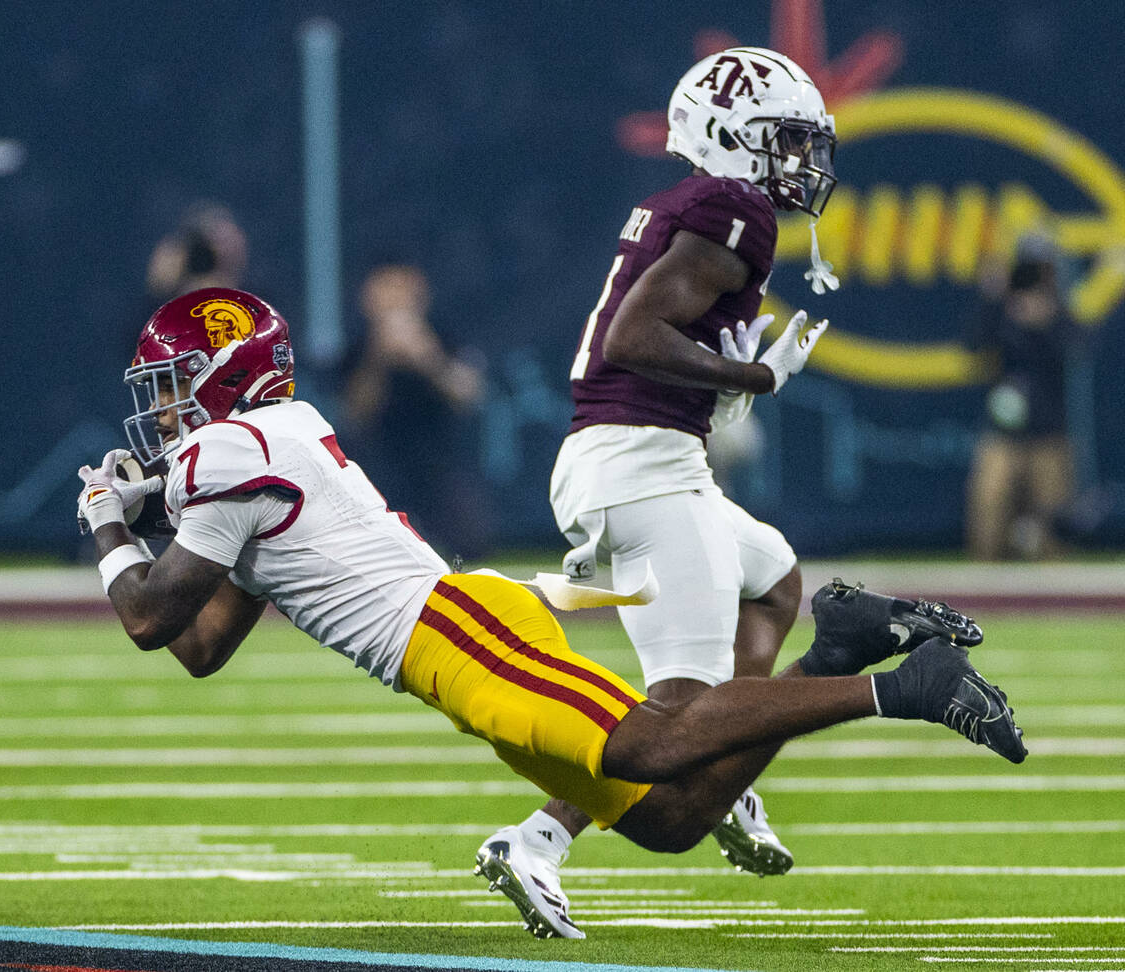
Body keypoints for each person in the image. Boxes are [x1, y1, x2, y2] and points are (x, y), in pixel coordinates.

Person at [77, 287, 1026, 941]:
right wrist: (142, 520)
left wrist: (109, 525)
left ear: (225, 375)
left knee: (658, 743)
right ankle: (838, 654)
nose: (161, 413)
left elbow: (151, 617)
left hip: (459, 633)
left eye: (172, 386)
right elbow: (201, 646)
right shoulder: (257, 450)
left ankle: (905, 685)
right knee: (669, 818)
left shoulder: (231, 453)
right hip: (453, 649)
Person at [478, 46, 841, 931]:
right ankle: (535, 842)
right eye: (787, 141)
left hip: (638, 460)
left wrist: (726, 372)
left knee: (777, 580)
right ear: (733, 138)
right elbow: (632, 339)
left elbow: (651, 340)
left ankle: (725, 781)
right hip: (640, 466)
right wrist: (752, 382)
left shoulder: (698, 205)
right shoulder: (734, 207)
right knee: (682, 703)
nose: (803, 163)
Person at [340, 264, 488, 559]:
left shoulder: (444, 336)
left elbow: (468, 395)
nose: (395, 301)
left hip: (440, 465)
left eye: (402, 290)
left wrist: (426, 358)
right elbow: (355, 413)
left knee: (472, 545)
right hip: (376, 468)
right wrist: (379, 357)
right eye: (386, 290)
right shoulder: (356, 348)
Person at [965, 233, 1080, 560]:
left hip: (1048, 432)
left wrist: (1046, 322)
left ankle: (1056, 593)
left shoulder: (1058, 308)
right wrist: (991, 299)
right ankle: (985, 586)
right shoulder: (1002, 305)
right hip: (1003, 430)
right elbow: (973, 345)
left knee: (1054, 520)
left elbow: (1076, 347)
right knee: (988, 504)